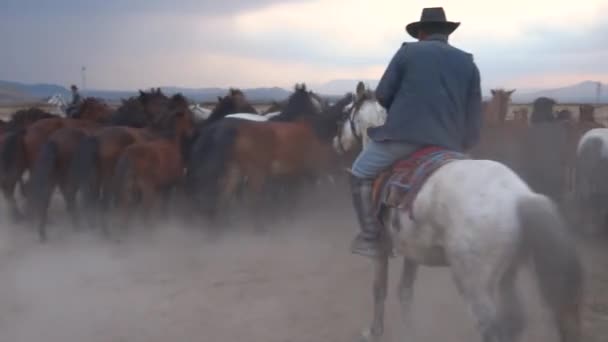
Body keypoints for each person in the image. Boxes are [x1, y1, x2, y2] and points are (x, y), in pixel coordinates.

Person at [349, 7, 482, 257]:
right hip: (450, 144)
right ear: (447, 34)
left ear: (420, 32)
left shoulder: (407, 52)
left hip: (405, 138)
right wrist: (464, 145)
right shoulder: (468, 61)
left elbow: (383, 95)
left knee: (359, 173)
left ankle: (370, 237)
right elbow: (474, 112)